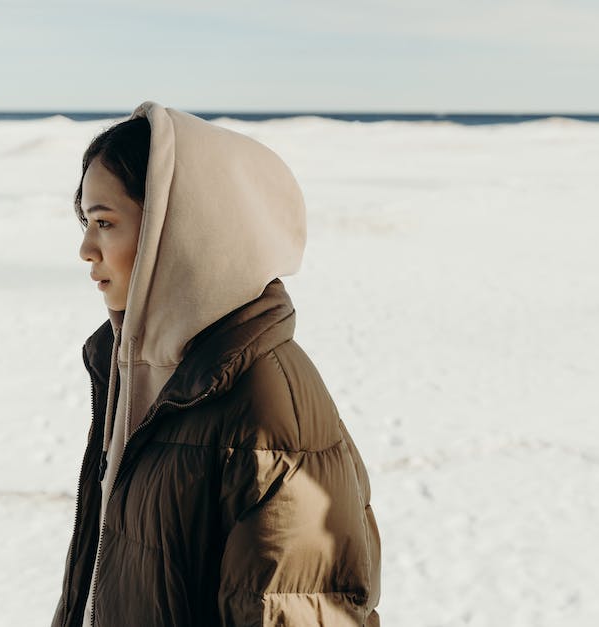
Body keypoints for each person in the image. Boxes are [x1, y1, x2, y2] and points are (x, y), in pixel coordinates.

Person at [50, 101, 381, 627]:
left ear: (177, 232)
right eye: (86, 222)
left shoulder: (268, 411)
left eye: (105, 222)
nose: (87, 248)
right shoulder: (145, 375)